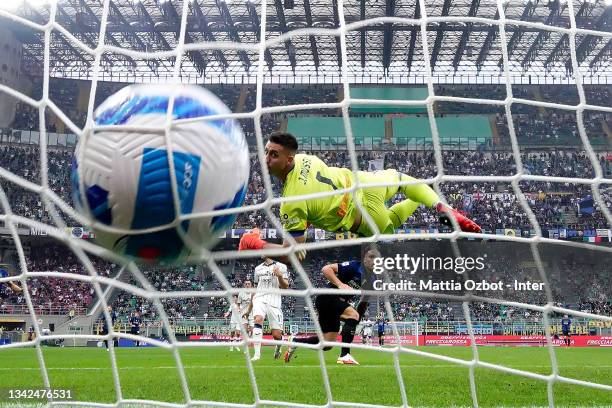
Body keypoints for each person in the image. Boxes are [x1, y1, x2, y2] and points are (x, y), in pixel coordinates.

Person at [239, 132, 481, 256]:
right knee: (401, 179)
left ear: (288, 158)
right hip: (363, 182)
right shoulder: (305, 159)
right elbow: (314, 197)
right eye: (267, 152)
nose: (267, 158)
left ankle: (423, 200)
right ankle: (438, 204)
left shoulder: (291, 204)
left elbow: (291, 254)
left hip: (363, 217)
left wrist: (254, 242)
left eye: (273, 154)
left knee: (387, 229)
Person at [284, 246, 380, 365]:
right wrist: (340, 284)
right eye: (371, 257)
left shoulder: (372, 279)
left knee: (326, 344)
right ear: (364, 258)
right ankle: (345, 355)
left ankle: (295, 341)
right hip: (327, 297)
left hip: (334, 302)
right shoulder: (355, 266)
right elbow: (326, 269)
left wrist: (357, 319)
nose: (374, 260)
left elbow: (364, 301)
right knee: (352, 315)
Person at [244, 258, 290, 361]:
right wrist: (248, 310)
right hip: (259, 298)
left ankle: (278, 346)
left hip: (274, 301)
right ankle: (257, 355)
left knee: (276, 335)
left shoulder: (281, 266)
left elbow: (285, 286)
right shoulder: (257, 269)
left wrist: (280, 276)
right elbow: (255, 289)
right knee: (258, 319)